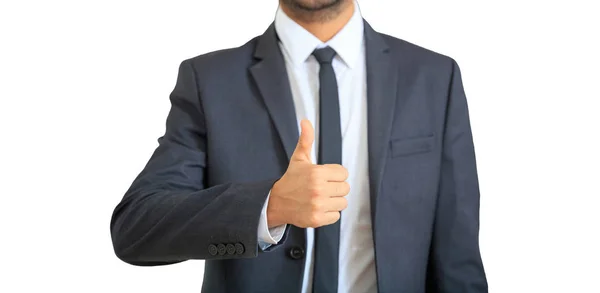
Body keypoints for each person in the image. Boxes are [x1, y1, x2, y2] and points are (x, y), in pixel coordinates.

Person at [110, 0, 488, 292]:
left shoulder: (435, 77)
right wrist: (268, 206)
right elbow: (135, 230)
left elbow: (458, 256)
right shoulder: (209, 81)